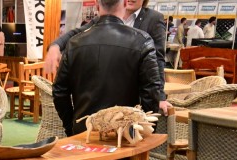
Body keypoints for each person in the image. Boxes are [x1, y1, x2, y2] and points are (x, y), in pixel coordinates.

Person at [53, 0, 160, 136]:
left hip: (84, 133)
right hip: (124, 135)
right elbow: (152, 93)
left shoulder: (74, 43)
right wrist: (144, 131)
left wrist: (72, 127)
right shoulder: (142, 41)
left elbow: (59, 92)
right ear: (125, 3)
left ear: (97, 4)